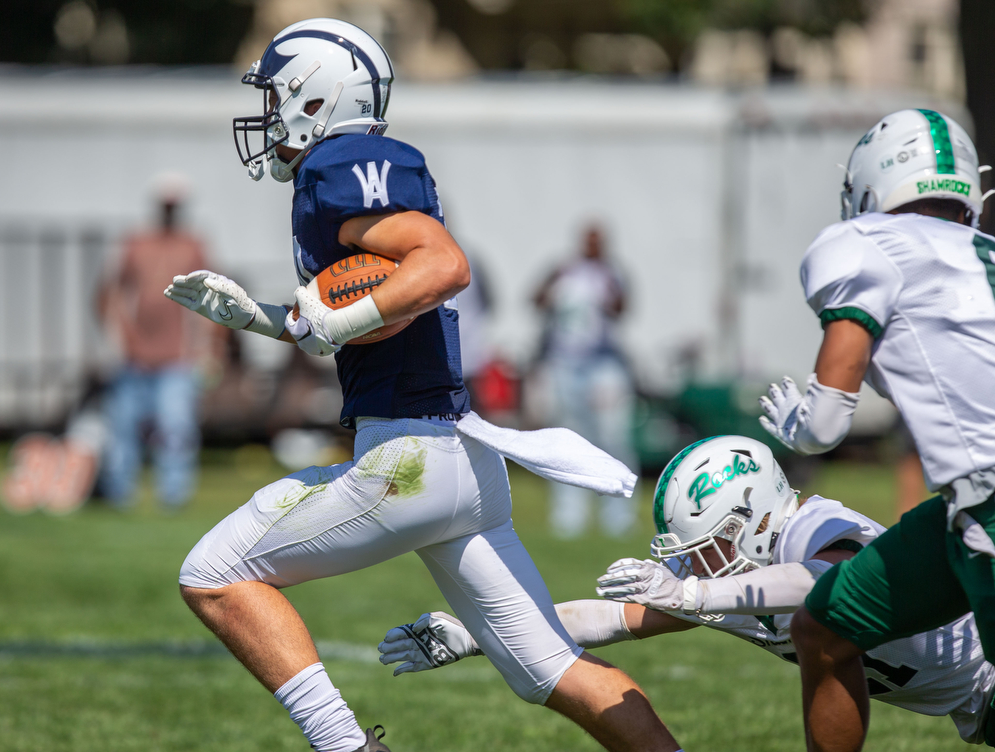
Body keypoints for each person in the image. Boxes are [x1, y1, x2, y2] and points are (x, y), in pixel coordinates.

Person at [163, 19, 674, 752]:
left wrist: (328, 324)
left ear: (316, 97)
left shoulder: (342, 161)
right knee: (554, 671)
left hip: (409, 458)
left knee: (212, 572)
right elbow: (378, 312)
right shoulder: (356, 166)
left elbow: (441, 267)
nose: (269, 115)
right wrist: (266, 320)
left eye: (277, 97)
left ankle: (345, 746)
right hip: (462, 459)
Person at [379, 436, 995, 746]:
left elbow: (827, 582)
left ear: (751, 519)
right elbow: (611, 619)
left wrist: (694, 597)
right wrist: (478, 632)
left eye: (706, 546)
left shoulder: (815, 527)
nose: (697, 567)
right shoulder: (732, 581)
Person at [755, 109, 995, 751]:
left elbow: (829, 419)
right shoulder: (985, 257)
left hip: (989, 502)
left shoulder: (862, 243)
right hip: (964, 506)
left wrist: (797, 429)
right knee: (826, 626)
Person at [97, 176, 215, 509]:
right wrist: (122, 333)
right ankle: (120, 493)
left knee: (176, 428)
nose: (169, 211)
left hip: (177, 355)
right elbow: (110, 292)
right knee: (123, 427)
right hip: (134, 357)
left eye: (174, 205)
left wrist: (208, 348)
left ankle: (173, 496)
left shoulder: (192, 245)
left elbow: (211, 297)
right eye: (165, 205)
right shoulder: (137, 243)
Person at [533, 225, 640, 538]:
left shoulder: (612, 274)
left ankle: (618, 515)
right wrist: (554, 282)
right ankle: (569, 514)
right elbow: (536, 301)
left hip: (603, 364)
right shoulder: (564, 271)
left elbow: (622, 310)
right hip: (565, 363)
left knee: (613, 437)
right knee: (568, 438)